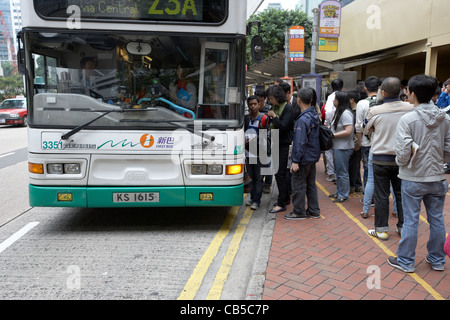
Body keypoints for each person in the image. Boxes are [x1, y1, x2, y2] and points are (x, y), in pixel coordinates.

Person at [388, 75, 450, 273]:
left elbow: (403, 152)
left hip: (413, 177)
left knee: (411, 220)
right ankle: (437, 259)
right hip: (438, 177)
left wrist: (402, 163)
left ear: (412, 94)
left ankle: (406, 261)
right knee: (437, 219)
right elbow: (448, 149)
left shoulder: (408, 119)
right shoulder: (445, 118)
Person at [364, 77, 413, 241]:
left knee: (381, 195)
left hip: (380, 158)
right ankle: (402, 227)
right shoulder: (411, 108)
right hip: (402, 158)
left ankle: (382, 230)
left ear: (382, 92)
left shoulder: (376, 110)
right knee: (400, 194)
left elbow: (366, 130)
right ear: (400, 90)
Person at [285, 88, 321, 220]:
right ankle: (313, 210)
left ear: (298, 100)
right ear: (311, 100)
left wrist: (295, 161)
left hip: (303, 158)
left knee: (298, 184)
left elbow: (300, 142)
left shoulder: (302, 120)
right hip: (312, 156)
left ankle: (299, 211)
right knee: (311, 184)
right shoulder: (314, 115)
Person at [267, 85, 294, 213]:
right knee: (279, 172)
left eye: (271, 98)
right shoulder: (275, 107)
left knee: (280, 173)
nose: (270, 101)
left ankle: (282, 202)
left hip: (283, 144)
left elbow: (283, 127)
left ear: (278, 97)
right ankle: (284, 197)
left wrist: (273, 117)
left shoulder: (288, 109)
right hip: (275, 142)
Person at [244, 95, 270, 210]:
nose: (253, 106)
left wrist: (254, 140)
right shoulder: (245, 118)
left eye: (255, 104)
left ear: (259, 104)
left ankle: (256, 200)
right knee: (251, 177)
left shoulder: (264, 118)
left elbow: (267, 136)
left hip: (260, 153)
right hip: (248, 153)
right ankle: (252, 197)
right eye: (250, 104)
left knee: (259, 178)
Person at [328, 91, 354, 203]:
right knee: (338, 171)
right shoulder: (340, 112)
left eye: (335, 99)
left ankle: (343, 194)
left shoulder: (346, 113)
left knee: (342, 172)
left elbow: (348, 131)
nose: (333, 101)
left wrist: (332, 135)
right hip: (338, 146)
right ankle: (339, 192)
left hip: (343, 147)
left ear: (341, 101)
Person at [324, 78, 344, 182]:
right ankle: (339, 173)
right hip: (344, 126)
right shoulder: (345, 96)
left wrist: (327, 124)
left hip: (332, 126)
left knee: (329, 150)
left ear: (332, 87)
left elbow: (327, 112)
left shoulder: (331, 97)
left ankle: (332, 173)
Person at [255, 88, 273, 194]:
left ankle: (268, 183)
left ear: (265, 99)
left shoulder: (269, 109)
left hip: (266, 137)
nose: (260, 103)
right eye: (258, 100)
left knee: (266, 162)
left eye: (261, 101)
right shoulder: (252, 108)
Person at [347, 89, 363, 193]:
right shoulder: (357, 111)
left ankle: (352, 185)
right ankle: (357, 184)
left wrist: (357, 143)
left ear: (352, 100)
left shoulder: (355, 112)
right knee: (356, 165)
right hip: (358, 142)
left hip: (356, 142)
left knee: (353, 164)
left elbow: (357, 129)